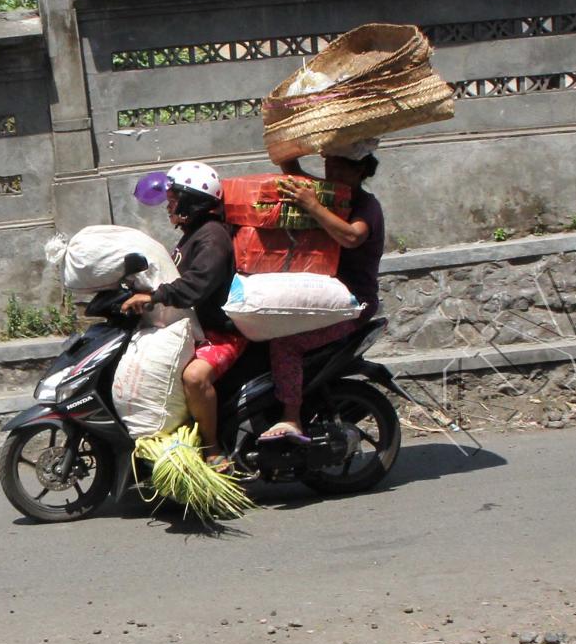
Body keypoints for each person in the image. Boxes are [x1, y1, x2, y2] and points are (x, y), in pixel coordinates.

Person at [260, 142, 384, 443]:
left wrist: (312, 206)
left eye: (340, 167)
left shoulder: (366, 206)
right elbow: (292, 171)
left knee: (286, 344)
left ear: (359, 172)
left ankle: (291, 418)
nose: (331, 173)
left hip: (352, 304)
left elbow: (352, 236)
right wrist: (289, 137)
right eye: (329, 166)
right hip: (320, 299)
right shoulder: (329, 194)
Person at [122, 161, 244, 467]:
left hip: (223, 333)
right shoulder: (192, 235)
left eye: (174, 199)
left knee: (193, 377)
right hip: (196, 328)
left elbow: (195, 286)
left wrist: (153, 297)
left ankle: (214, 450)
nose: (168, 205)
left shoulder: (213, 237)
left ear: (192, 201)